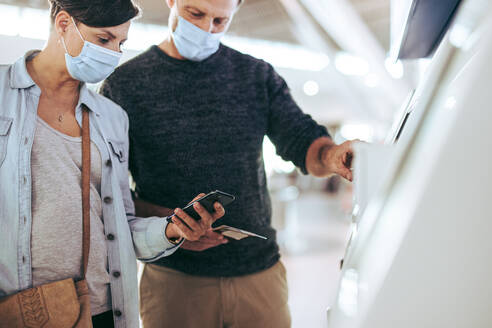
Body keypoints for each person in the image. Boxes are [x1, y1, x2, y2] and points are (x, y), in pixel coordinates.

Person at [101, 0, 355, 327]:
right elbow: (111, 194)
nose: (207, 28)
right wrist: (174, 226)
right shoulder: (124, 87)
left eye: (221, 20)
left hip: (258, 275)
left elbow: (302, 140)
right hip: (175, 281)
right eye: (195, 13)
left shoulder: (256, 76)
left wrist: (332, 156)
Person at [0, 1, 225, 327]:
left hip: (103, 308)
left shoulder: (112, 117)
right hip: (24, 309)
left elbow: (121, 222)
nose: (114, 54)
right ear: (63, 24)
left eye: (121, 44)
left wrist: (173, 229)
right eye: (104, 40)